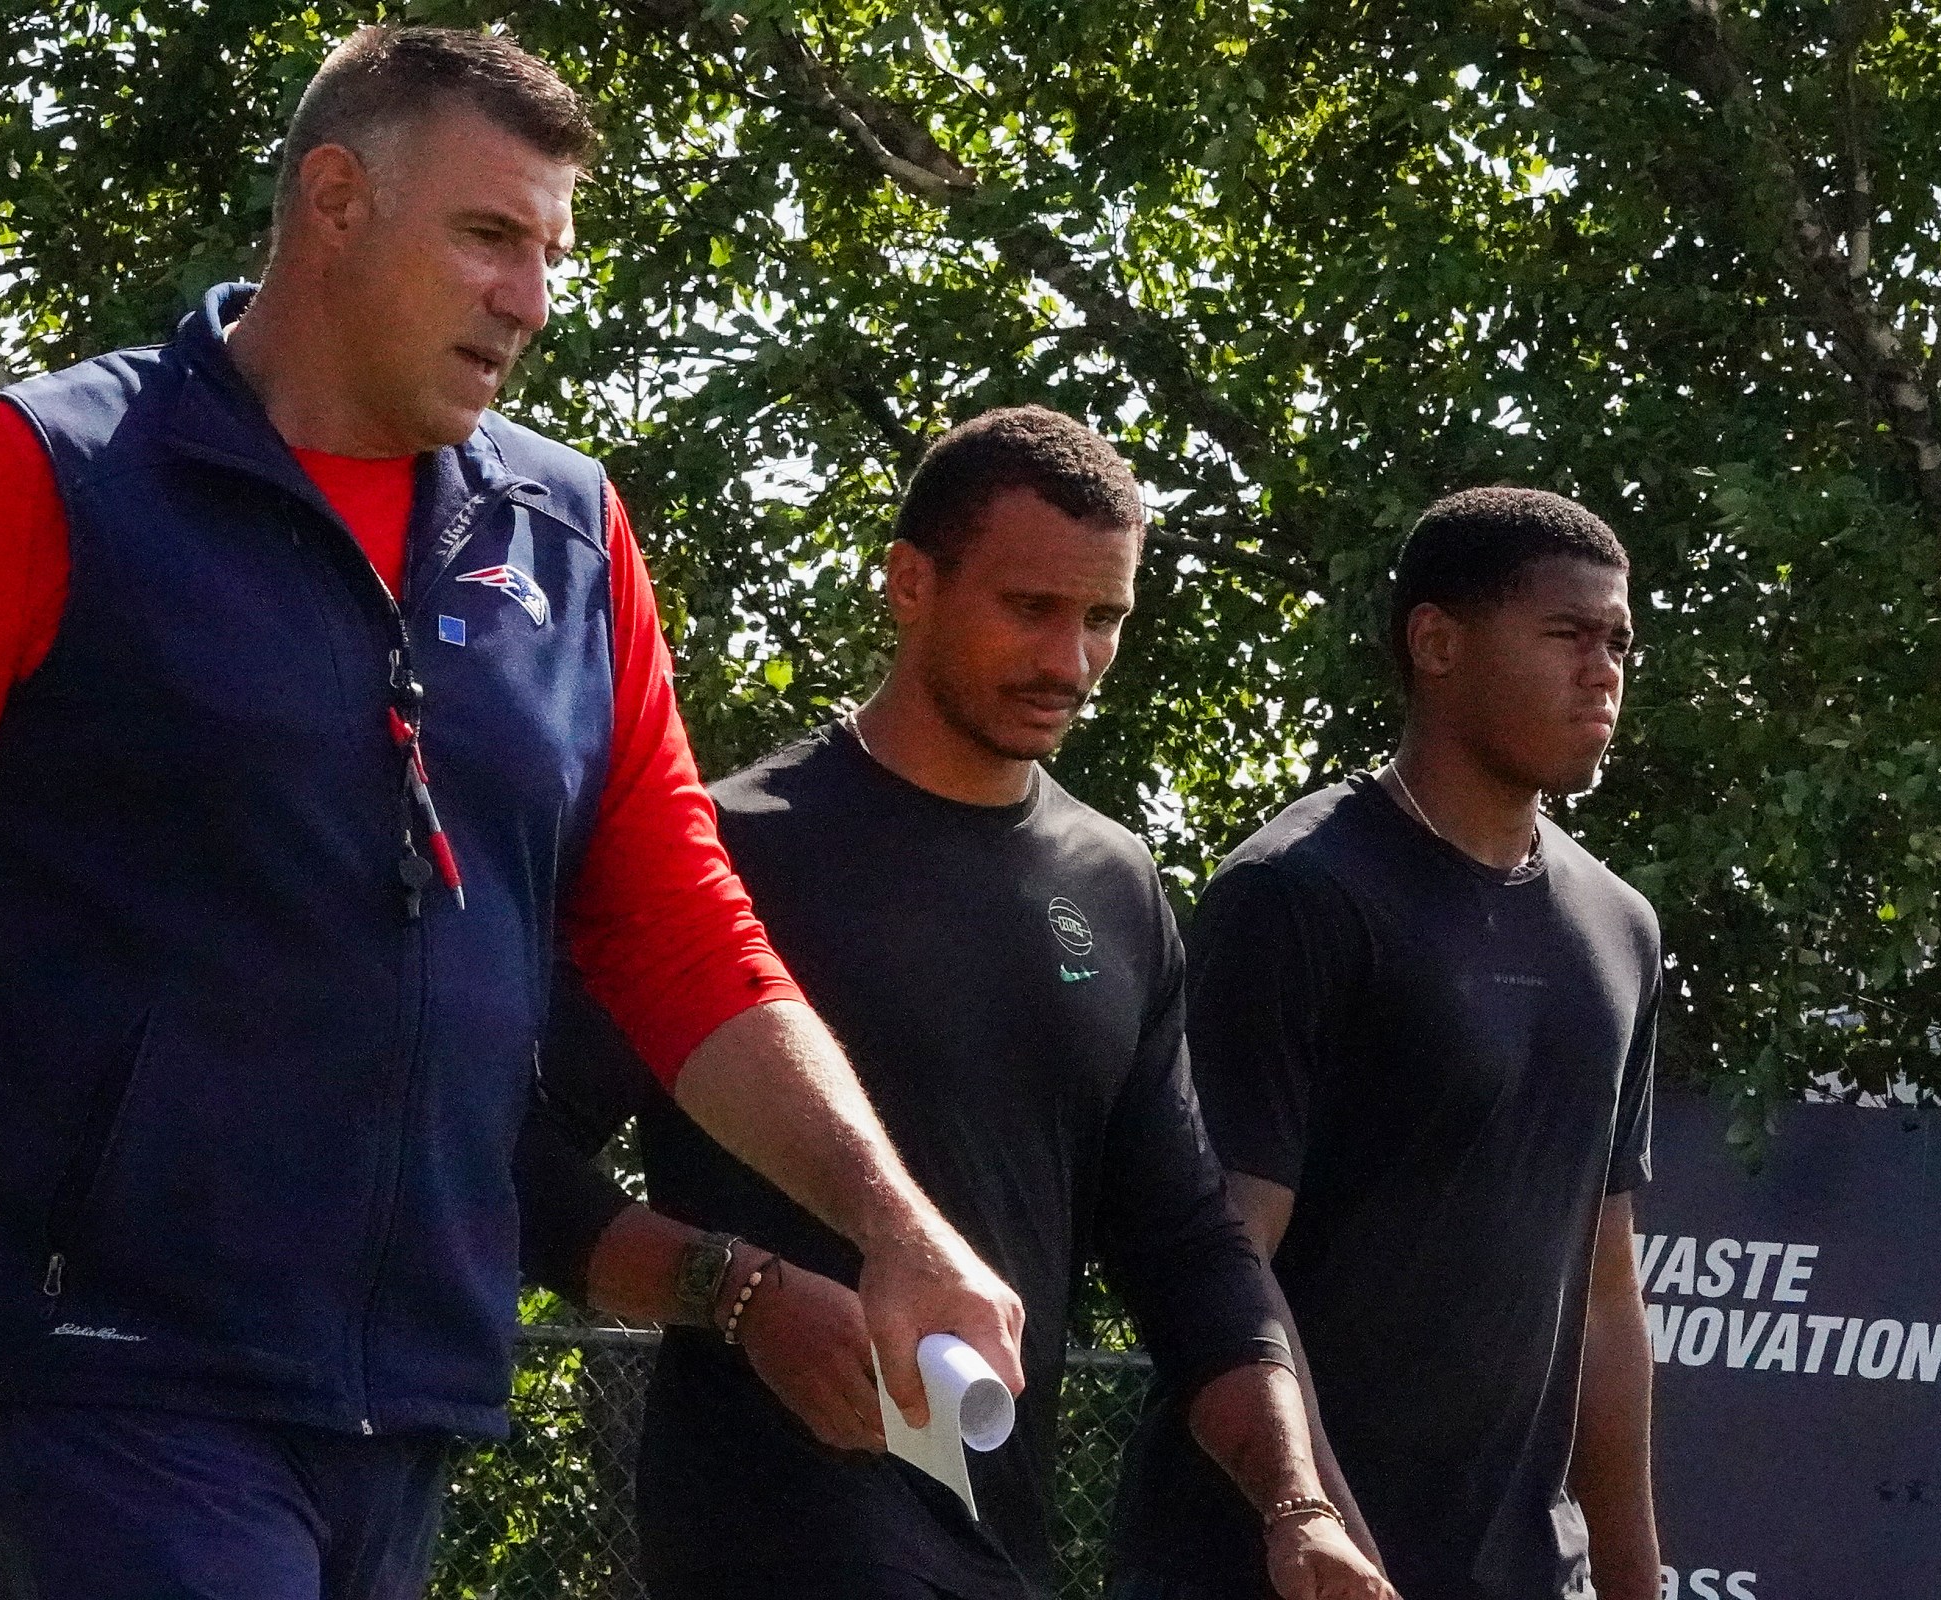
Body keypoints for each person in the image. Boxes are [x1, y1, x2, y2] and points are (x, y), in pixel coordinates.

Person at [0, 27, 1022, 1598]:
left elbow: (686, 937)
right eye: (491, 236)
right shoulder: (41, 476)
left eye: (552, 252)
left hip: (408, 1391)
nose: (533, 299)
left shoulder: (570, 537)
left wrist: (897, 1226)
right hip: (111, 1369)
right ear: (336, 201)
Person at [514, 408, 1395, 1600]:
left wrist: (1298, 1505)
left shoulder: (1116, 885)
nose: (1070, 663)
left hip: (999, 1553)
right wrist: (740, 1295)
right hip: (766, 1543)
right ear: (910, 584)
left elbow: (1191, 1251)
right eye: (1031, 609)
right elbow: (510, 1161)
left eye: (1104, 620)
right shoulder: (725, 855)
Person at [1109, 487, 1662, 1600]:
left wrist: (1634, 1581)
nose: (1602, 669)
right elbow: (1223, 1266)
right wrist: (1327, 1535)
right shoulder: (1297, 894)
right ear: (1437, 641)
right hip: (1269, 1564)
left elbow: (1606, 1294)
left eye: (1618, 641)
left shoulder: (1620, 926)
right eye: (1566, 633)